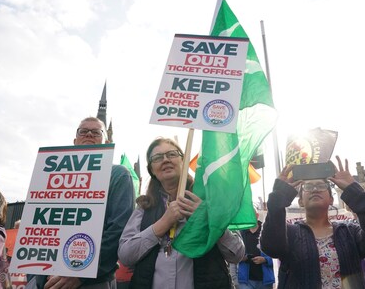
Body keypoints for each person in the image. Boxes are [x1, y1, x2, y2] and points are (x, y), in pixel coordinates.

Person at [118, 137, 245, 288]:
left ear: (183, 161)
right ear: (152, 170)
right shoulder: (144, 207)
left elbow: (236, 254)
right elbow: (125, 256)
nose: (165, 160)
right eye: (157, 157)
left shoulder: (209, 200)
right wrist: (163, 224)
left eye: (172, 154)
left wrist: (208, 220)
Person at [260, 156, 365, 288]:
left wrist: (353, 191)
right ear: (300, 201)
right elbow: (271, 247)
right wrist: (278, 197)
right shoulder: (289, 233)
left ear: (331, 199)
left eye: (321, 185)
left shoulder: (349, 232)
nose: (315, 189)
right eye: (308, 186)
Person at [36, 117, 135, 289]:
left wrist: (81, 273)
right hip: (47, 279)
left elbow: (118, 229)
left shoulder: (118, 174)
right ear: (75, 141)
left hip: (92, 281)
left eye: (96, 132)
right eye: (83, 131)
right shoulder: (51, 174)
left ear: (108, 141)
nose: (89, 134)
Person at [238, 211, 274, 289]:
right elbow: (233, 255)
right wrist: (241, 258)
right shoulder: (240, 233)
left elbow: (277, 257)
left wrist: (265, 260)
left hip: (265, 280)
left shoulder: (267, 232)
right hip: (246, 280)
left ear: (257, 215)